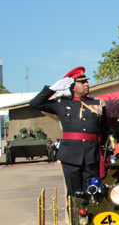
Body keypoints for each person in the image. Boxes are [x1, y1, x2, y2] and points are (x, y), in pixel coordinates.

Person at [30, 67, 109, 196]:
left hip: (91, 155)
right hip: (71, 156)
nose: (86, 85)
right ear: (72, 87)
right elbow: (35, 103)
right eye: (82, 82)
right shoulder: (61, 103)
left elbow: (105, 129)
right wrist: (52, 89)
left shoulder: (97, 103)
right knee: (74, 193)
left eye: (87, 82)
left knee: (93, 193)